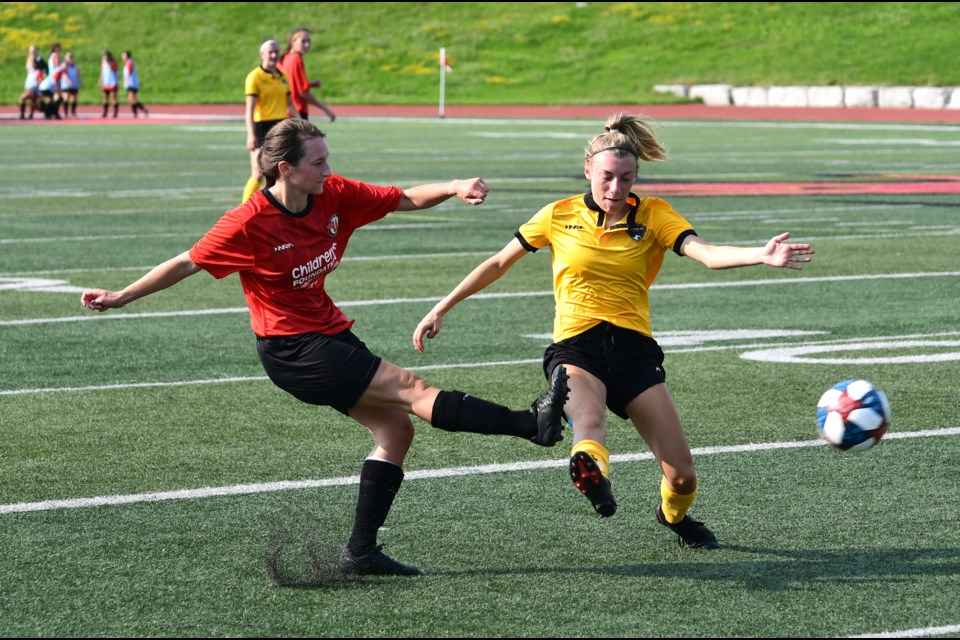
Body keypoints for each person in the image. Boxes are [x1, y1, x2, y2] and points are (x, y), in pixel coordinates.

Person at [80, 117, 570, 576]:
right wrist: (122, 296)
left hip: (328, 334)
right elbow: (187, 262)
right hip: (292, 350)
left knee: (396, 431)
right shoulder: (248, 222)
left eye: (327, 159)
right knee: (411, 388)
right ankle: (530, 424)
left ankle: (361, 553)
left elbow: (402, 199)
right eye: (317, 162)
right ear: (284, 169)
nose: (328, 169)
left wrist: (453, 186)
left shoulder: (333, 195)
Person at [413, 113, 815, 549]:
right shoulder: (558, 214)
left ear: (636, 175)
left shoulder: (655, 214)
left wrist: (761, 254)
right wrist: (442, 306)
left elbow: (707, 253)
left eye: (626, 179)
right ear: (588, 170)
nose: (615, 188)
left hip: (635, 352)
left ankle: (673, 516)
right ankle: (591, 475)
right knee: (589, 419)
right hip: (576, 346)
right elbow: (497, 263)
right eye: (606, 177)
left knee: (682, 476)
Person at [242, 39, 295, 203]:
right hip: (261, 126)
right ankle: (244, 209)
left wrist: (303, 125)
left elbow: (291, 105)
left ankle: (274, 207)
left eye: (276, 52)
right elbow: (249, 110)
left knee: (279, 172)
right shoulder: (254, 77)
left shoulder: (283, 77)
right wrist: (250, 135)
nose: (273, 55)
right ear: (262, 54)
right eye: (270, 52)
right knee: (258, 173)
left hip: (279, 127)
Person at [278, 26, 336, 122]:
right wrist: (326, 109)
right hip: (297, 111)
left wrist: (310, 84)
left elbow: (292, 85)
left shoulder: (286, 58)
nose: (307, 44)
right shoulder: (296, 59)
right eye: (303, 41)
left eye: (309, 41)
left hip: (285, 111)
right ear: (293, 42)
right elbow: (303, 92)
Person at [17, 45, 45, 120]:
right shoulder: (31, 69)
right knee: (33, 102)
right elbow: (29, 63)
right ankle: (31, 115)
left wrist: (34, 87)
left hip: (33, 88)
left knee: (22, 98)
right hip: (29, 87)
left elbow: (41, 80)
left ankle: (23, 115)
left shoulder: (38, 70)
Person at [121, 50, 149, 118]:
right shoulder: (128, 62)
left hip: (131, 83)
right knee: (131, 99)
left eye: (124, 55)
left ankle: (143, 109)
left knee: (132, 99)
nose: (122, 57)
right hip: (130, 83)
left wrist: (127, 80)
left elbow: (129, 71)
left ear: (127, 56)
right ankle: (135, 113)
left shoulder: (129, 62)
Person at [59, 51, 82, 118]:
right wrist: (69, 82)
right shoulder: (64, 65)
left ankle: (73, 112)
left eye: (71, 57)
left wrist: (80, 82)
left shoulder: (75, 65)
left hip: (74, 84)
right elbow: (64, 74)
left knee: (74, 98)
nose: (70, 58)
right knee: (66, 98)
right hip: (66, 84)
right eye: (69, 57)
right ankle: (65, 113)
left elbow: (78, 74)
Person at [99, 50, 119, 118]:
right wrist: (100, 81)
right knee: (105, 97)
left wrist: (109, 63)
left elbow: (113, 69)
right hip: (106, 82)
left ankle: (115, 112)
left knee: (113, 97)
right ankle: (105, 112)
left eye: (105, 56)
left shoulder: (113, 62)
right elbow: (102, 72)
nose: (104, 57)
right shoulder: (103, 63)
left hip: (112, 82)